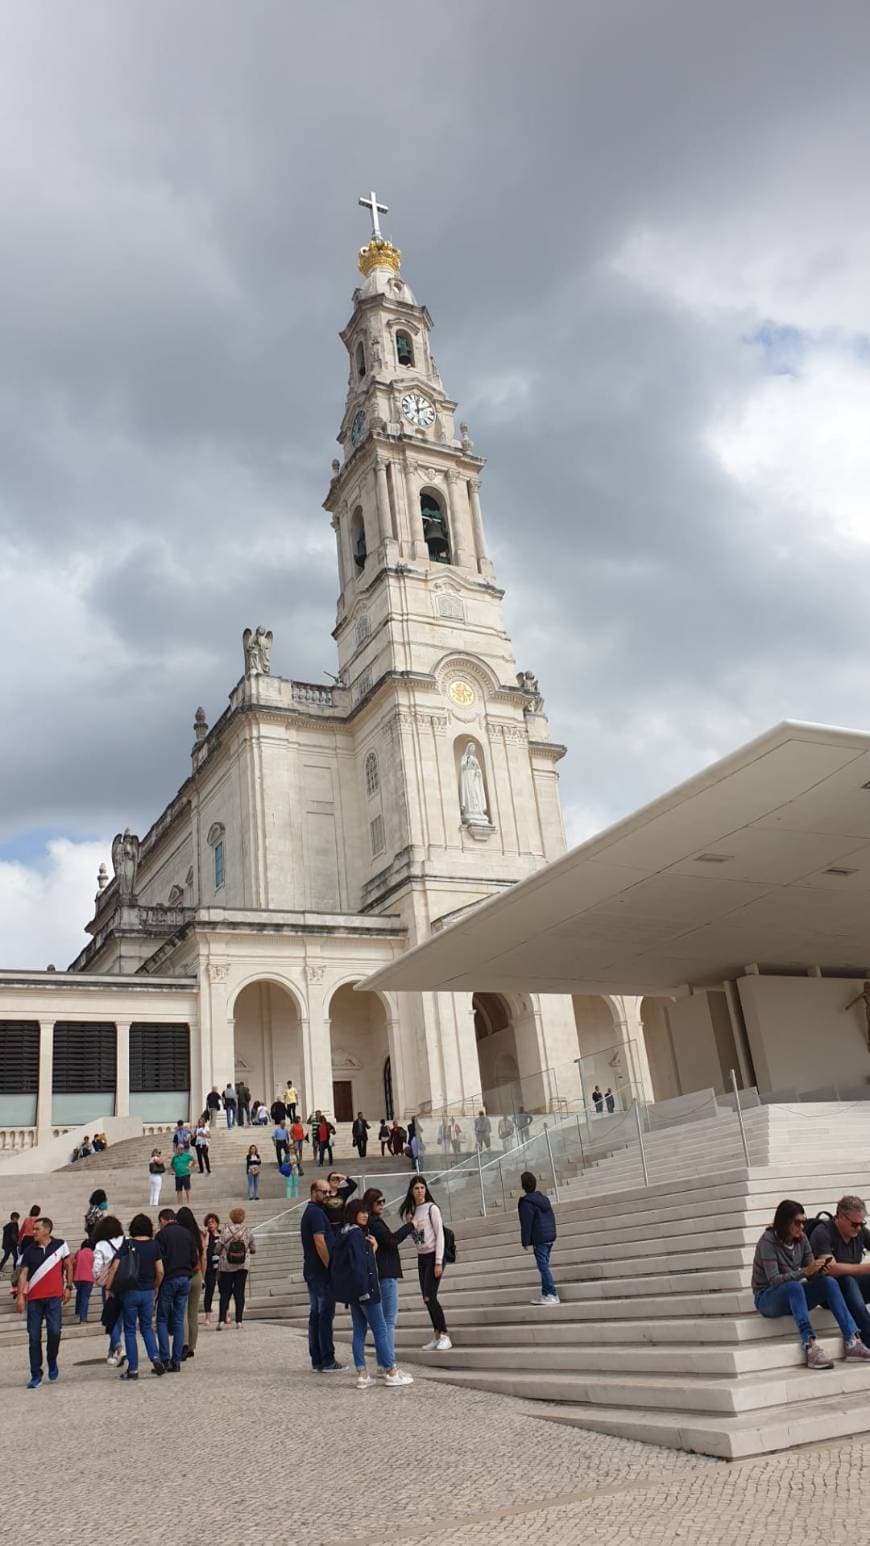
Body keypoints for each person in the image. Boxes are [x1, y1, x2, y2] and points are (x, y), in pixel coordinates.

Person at [752, 1198, 870, 1368]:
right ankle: (810, 1345)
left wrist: (821, 1270)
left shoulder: (802, 1239)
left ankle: (852, 1341)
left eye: (803, 1222)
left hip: (793, 1294)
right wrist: (804, 1272)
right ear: (785, 1222)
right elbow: (774, 1280)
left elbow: (812, 1273)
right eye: (797, 1222)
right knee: (794, 1286)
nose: (801, 1227)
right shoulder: (768, 1241)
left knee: (829, 1283)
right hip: (767, 1297)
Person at [331, 1198, 414, 1389]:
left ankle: (362, 1374)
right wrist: (373, 1250)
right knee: (381, 1329)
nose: (365, 1215)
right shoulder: (357, 1236)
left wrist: (372, 1250)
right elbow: (362, 1266)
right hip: (366, 1290)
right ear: (353, 1214)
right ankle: (391, 1372)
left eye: (366, 1212)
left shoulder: (344, 1234)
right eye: (361, 1212)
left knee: (359, 1332)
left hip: (354, 1293)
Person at [15, 1216, 72, 1388]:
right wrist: (20, 1296)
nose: (33, 1232)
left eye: (36, 1229)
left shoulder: (61, 1245)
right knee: (33, 1337)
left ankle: (52, 1360)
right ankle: (35, 1374)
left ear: (47, 1230)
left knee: (54, 1331)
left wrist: (68, 1286)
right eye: (33, 1229)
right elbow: (23, 1273)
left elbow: (69, 1265)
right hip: (34, 1300)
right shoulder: (30, 1250)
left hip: (54, 1297)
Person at [362, 1187, 414, 1373]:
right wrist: (410, 1226)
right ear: (370, 1204)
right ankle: (388, 1364)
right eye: (379, 1202)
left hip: (382, 1273)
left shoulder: (370, 1221)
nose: (383, 1205)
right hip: (386, 1273)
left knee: (385, 1321)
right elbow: (391, 1240)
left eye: (384, 1201)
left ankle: (383, 1362)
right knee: (388, 1321)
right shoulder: (374, 1222)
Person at [107, 1214, 164, 1380]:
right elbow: (160, 1270)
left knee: (130, 1330)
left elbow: (114, 1267)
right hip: (147, 1291)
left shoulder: (128, 1243)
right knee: (147, 1327)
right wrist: (156, 1286)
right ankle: (155, 1357)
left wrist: (109, 1287)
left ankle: (133, 1369)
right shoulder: (154, 1245)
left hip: (130, 1291)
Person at [400, 1175, 452, 1351]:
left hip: (433, 1256)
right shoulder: (411, 1212)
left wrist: (438, 1262)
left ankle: (444, 1334)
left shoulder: (432, 1208)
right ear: (411, 1191)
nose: (420, 1191)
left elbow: (440, 1235)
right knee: (426, 1298)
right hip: (421, 1257)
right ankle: (437, 1334)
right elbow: (417, 1237)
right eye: (416, 1188)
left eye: (422, 1187)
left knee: (431, 1296)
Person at [809, 1196, 870, 1344]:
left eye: (862, 1223)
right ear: (840, 1217)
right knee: (846, 1279)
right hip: (830, 1293)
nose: (858, 1228)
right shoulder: (822, 1232)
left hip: (854, 1288)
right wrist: (866, 1268)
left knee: (850, 1280)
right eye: (854, 1224)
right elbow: (831, 1269)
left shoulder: (861, 1232)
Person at [300, 1179, 342, 1372]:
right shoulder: (316, 1213)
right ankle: (327, 1360)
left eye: (328, 1192)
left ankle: (317, 1358)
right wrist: (330, 1266)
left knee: (316, 1315)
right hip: (320, 1271)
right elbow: (320, 1242)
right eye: (323, 1192)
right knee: (324, 1315)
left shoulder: (312, 1212)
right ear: (313, 1191)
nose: (327, 1195)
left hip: (312, 1270)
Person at [156, 1207, 199, 1371]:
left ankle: (165, 1358)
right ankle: (176, 1361)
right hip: (185, 1278)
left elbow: (159, 1259)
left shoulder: (162, 1235)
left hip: (169, 1278)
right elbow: (194, 1258)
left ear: (162, 1220)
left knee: (162, 1319)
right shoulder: (187, 1233)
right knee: (179, 1319)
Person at [518, 1171, 559, 1305]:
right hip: (549, 1236)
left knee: (543, 1267)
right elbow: (551, 1217)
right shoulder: (543, 1199)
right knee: (544, 1265)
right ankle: (546, 1293)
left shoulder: (527, 1203)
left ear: (523, 1186)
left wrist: (525, 1241)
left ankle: (552, 1293)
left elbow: (527, 1224)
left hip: (540, 1238)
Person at [91, 1214, 127, 1367]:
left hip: (109, 1286)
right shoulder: (126, 1240)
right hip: (126, 1284)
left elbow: (96, 1267)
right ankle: (111, 1352)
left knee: (111, 1319)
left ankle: (118, 1347)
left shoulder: (101, 1245)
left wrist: (98, 1278)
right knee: (120, 1319)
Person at [217, 1207, 256, 1328]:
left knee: (225, 1293)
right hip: (242, 1265)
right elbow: (253, 1248)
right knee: (240, 1292)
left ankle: (221, 1321)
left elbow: (218, 1248)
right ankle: (239, 1321)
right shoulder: (247, 1231)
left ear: (231, 1217)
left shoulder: (225, 1230)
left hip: (226, 1265)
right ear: (243, 1217)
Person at [175, 1205, 205, 1360]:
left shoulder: (182, 1235)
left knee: (183, 1312)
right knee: (193, 1314)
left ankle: (184, 1345)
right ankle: (193, 1346)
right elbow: (202, 1257)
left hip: (184, 1274)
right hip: (198, 1274)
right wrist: (203, 1276)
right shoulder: (197, 1234)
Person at [202, 1212, 221, 1325]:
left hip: (222, 1267)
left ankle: (226, 1314)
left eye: (213, 1222)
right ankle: (207, 1316)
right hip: (210, 1268)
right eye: (209, 1222)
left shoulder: (222, 1234)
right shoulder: (206, 1235)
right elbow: (205, 1250)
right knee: (209, 1292)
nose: (211, 1224)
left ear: (217, 1223)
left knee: (225, 1291)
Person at [72, 1238, 95, 1322]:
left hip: (77, 1278)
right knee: (85, 1297)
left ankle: (77, 1313)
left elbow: (73, 1263)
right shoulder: (93, 1254)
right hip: (88, 1278)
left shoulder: (79, 1252)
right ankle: (83, 1318)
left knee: (79, 1294)